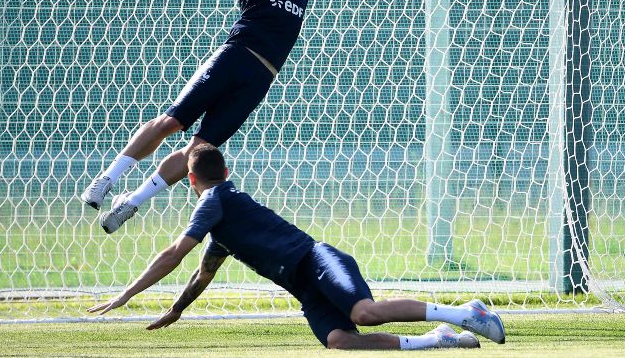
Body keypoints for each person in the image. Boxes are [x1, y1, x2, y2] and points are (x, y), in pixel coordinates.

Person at [81, 0, 398, 233]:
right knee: (172, 122)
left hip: (261, 77)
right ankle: (107, 179)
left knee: (199, 150)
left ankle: (131, 202)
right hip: (234, 57)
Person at [88, 143, 506, 350]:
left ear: (191, 181)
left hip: (317, 260)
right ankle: (439, 338)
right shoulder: (221, 224)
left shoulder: (214, 200)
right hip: (304, 287)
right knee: (340, 340)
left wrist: (127, 294)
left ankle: (465, 313)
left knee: (364, 313)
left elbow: (174, 253)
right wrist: (177, 309)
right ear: (226, 170)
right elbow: (202, 273)